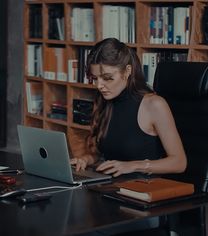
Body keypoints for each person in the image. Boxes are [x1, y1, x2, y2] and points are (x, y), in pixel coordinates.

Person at [75, 37, 187, 178]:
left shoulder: (154, 105)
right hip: (110, 187)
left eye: (107, 78)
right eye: (95, 78)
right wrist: (85, 159)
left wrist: (133, 165)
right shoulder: (105, 100)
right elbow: (102, 153)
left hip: (142, 191)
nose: (99, 85)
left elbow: (179, 163)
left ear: (127, 71)